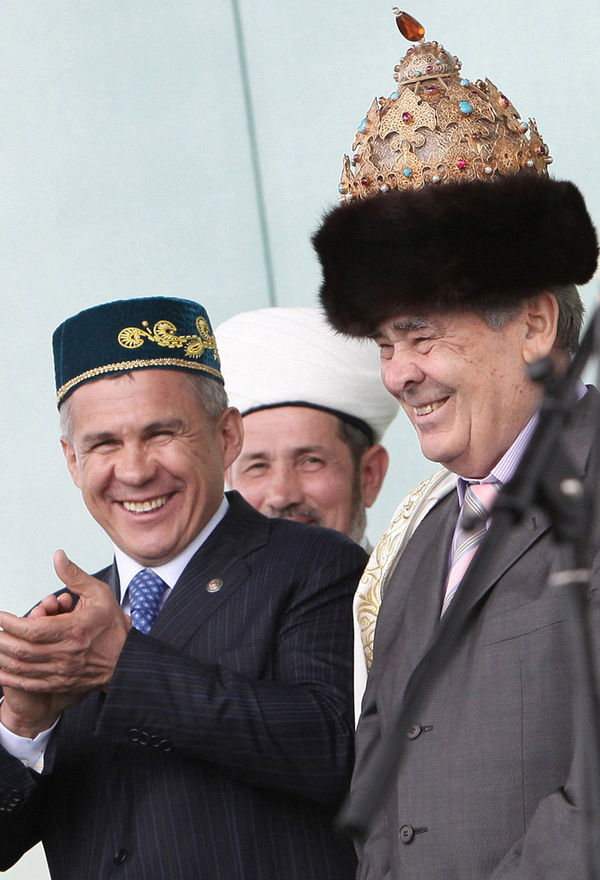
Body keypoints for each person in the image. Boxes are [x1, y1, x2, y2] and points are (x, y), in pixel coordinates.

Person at [313, 12, 599, 879]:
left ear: (536, 326)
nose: (399, 375)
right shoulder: (416, 545)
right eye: (385, 345)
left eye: (421, 336)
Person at [0, 296, 367, 879]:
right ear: (72, 462)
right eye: (104, 444)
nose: (136, 469)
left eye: (161, 433)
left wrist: (123, 667)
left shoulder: (316, 564)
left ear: (226, 436)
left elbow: (334, 753)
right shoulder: (62, 626)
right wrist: (22, 727)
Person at [216, 306, 399, 549]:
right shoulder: (188, 586)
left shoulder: (427, 587)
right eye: (257, 466)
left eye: (310, 461)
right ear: (228, 478)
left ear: (369, 475)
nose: (281, 496)